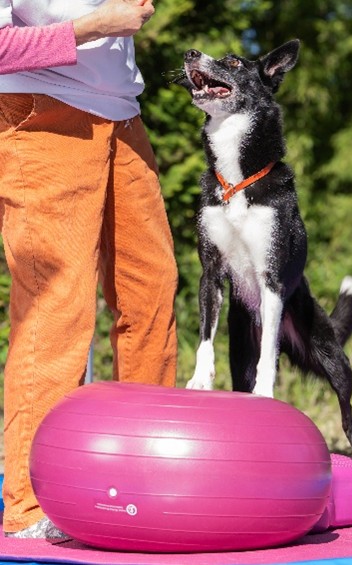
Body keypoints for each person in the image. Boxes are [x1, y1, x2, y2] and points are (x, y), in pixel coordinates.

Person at [0, 0, 178, 538]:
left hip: (123, 117)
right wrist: (93, 27)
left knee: (151, 293)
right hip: (40, 114)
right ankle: (33, 504)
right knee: (56, 303)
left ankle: (144, 480)